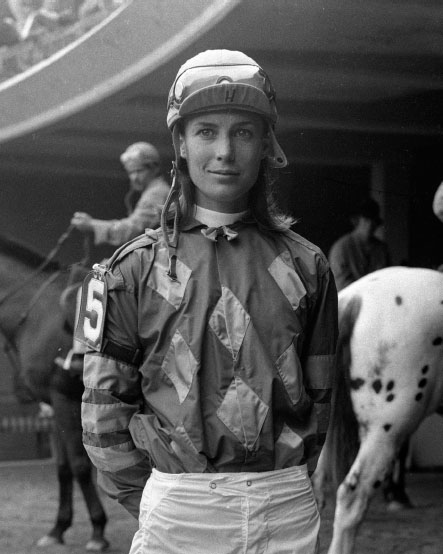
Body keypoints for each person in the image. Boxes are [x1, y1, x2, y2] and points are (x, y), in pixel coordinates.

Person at [78, 49, 338, 554]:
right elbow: (102, 416)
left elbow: (321, 403)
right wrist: (161, 499)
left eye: (243, 132)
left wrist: (279, 485)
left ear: (266, 144)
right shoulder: (129, 272)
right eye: (206, 131)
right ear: (179, 141)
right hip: (177, 511)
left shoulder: (310, 267)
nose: (225, 151)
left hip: (286, 508)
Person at [71, 141, 170, 245]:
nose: (134, 177)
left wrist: (92, 224)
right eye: (131, 172)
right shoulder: (156, 190)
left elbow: (132, 229)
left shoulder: (155, 193)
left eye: (139, 171)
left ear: (154, 169)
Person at [328, 197, 390, 291]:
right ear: (357, 220)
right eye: (366, 220)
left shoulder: (381, 249)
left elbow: (387, 279)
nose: (370, 224)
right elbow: (341, 286)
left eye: (373, 221)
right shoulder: (341, 248)